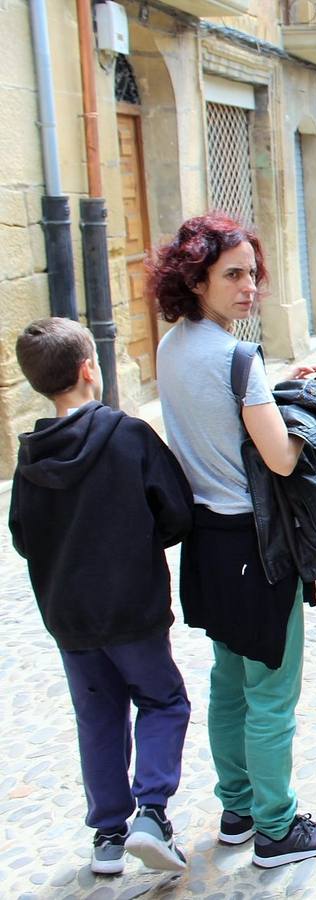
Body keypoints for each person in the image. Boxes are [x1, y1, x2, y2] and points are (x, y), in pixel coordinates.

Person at [150, 213, 316, 869]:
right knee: (270, 692)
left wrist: (276, 396)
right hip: (254, 543)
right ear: (196, 278)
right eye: (231, 275)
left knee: (229, 681)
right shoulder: (236, 358)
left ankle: (236, 807)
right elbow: (282, 458)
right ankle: (276, 828)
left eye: (252, 274)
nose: (248, 287)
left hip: (206, 544)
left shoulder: (171, 347)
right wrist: (307, 408)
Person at [8, 317, 194, 876]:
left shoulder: (30, 457)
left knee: (98, 715)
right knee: (163, 701)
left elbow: (21, 535)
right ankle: (152, 814)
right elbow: (176, 510)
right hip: (132, 608)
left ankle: (108, 835)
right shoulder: (127, 433)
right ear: (91, 368)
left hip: (70, 617)